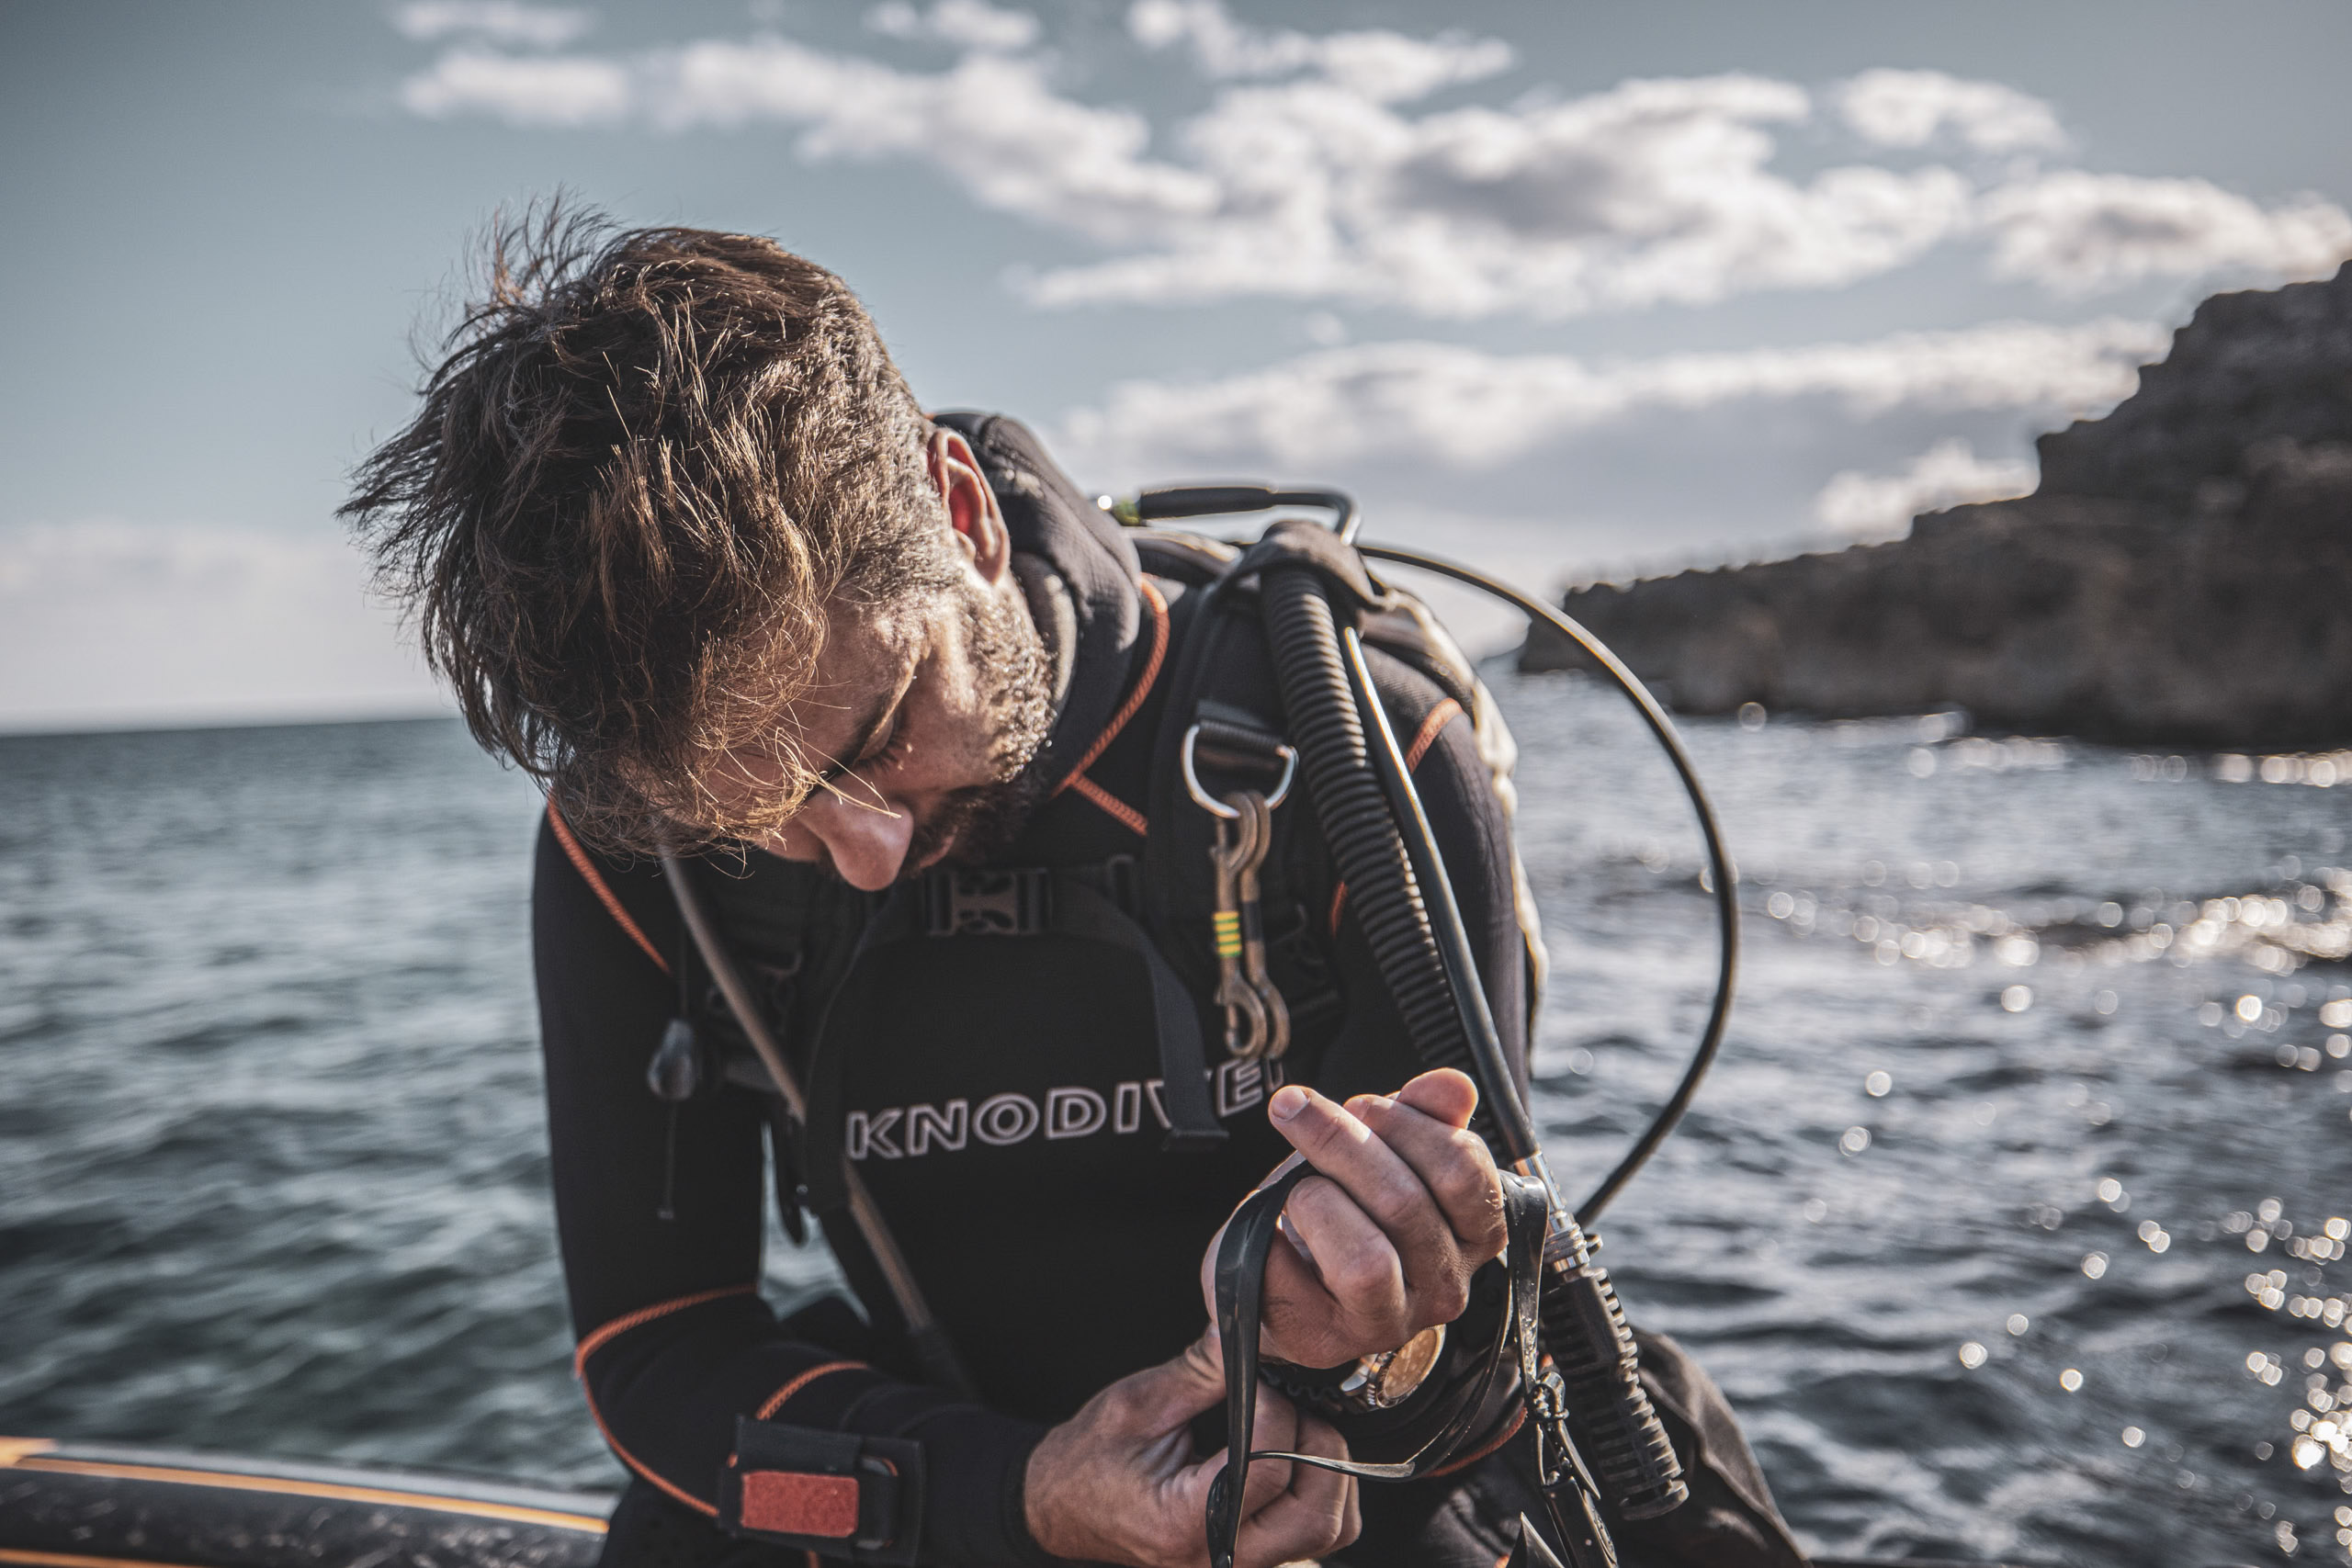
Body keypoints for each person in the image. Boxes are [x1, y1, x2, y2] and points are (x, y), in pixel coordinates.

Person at [345, 211, 1804, 1568]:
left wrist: (1376, 1344)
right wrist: (1020, 1490)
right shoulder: (634, 836)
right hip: (965, 1464)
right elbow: (658, 1349)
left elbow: (1492, 1341)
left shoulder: (1353, 742)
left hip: (1349, 1493)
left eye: (880, 732)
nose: (863, 854)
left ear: (961, 515)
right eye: (759, 818)